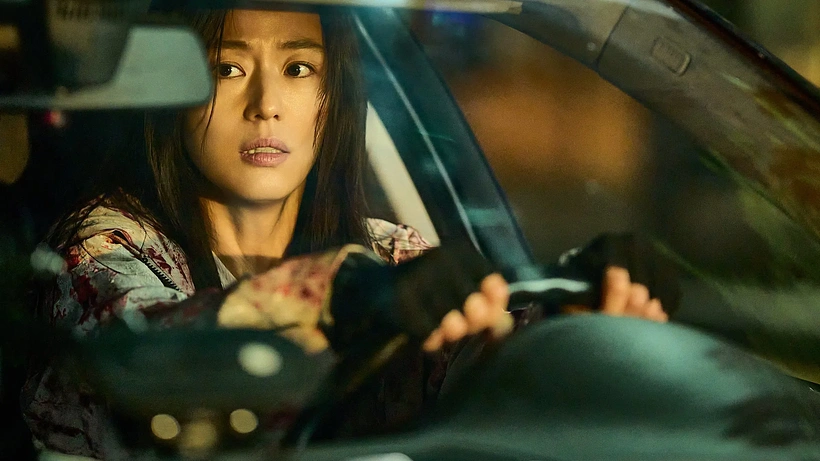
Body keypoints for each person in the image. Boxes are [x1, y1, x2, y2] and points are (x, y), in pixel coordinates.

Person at [19, 7, 667, 459]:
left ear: (330, 98)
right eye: (228, 68)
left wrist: (570, 317)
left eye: (299, 69)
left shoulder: (388, 251)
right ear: (175, 91)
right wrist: (336, 293)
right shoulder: (106, 245)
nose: (267, 105)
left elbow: (476, 355)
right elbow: (140, 360)